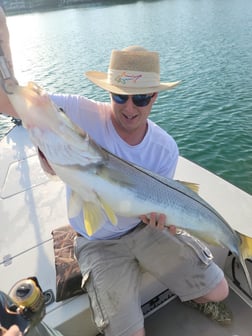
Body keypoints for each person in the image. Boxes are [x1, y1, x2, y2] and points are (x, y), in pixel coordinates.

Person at [0, 8, 232, 336]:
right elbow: (11, 101)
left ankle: (198, 288)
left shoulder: (165, 148)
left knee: (220, 290)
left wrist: (164, 225)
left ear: (154, 97)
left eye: (140, 98)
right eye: (120, 96)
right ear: (108, 91)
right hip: (98, 242)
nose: (129, 107)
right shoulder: (79, 111)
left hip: (145, 231)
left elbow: (162, 208)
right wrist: (4, 38)